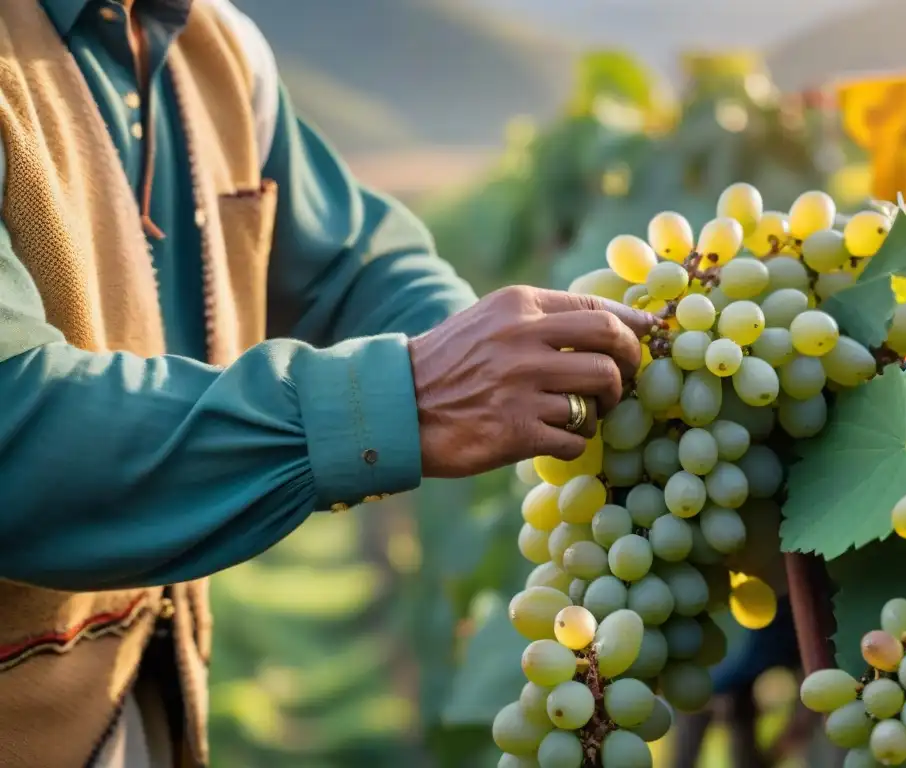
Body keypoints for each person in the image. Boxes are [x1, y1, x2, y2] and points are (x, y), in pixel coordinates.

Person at [0, 1, 656, 766]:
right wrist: (403, 399)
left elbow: (355, 261)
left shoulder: (214, 46)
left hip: (132, 709)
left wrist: (492, 359)